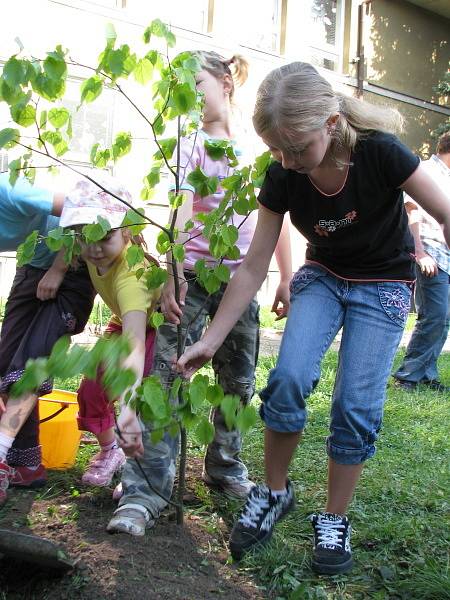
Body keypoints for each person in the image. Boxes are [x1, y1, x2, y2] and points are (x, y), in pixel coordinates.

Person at [176, 62, 450, 574]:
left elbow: (445, 210)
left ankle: (334, 519)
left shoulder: (380, 153)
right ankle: (274, 493)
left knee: (355, 405)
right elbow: (254, 262)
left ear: (330, 122)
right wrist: (211, 340)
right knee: (287, 379)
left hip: (384, 285)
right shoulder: (283, 173)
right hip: (322, 276)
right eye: (276, 149)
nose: (286, 160)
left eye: (296, 148)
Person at [106, 50, 292, 537]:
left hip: (241, 283)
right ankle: (145, 491)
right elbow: (181, 209)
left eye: (198, 84)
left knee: (239, 382)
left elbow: (280, 218)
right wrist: (172, 271)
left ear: (226, 82)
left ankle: (225, 468)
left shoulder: (258, 148)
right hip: (190, 278)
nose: (191, 95)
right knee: (166, 381)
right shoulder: (188, 142)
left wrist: (287, 276)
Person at [58, 175, 161, 492]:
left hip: (155, 328)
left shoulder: (132, 277)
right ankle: (110, 450)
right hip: (124, 321)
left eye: (105, 235)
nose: (95, 247)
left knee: (145, 399)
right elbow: (69, 248)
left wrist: (127, 409)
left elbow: (133, 345)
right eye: (85, 234)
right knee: (91, 389)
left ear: (127, 231)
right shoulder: (87, 250)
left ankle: (138, 470)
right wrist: (54, 271)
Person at [0, 173, 95, 504]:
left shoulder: (9, 192)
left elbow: (82, 211)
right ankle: (24, 464)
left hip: (73, 272)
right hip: (29, 273)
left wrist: (58, 267)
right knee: (6, 368)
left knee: (31, 363)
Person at [393, 132, 450, 392]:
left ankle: (427, 374)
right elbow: (411, 211)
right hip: (431, 254)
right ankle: (408, 375)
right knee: (434, 315)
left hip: (446, 256)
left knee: (444, 318)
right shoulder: (425, 169)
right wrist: (420, 252)